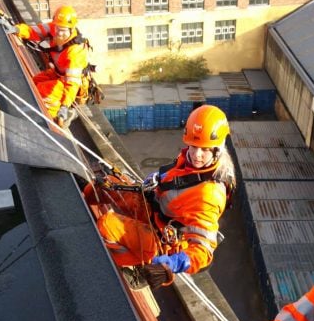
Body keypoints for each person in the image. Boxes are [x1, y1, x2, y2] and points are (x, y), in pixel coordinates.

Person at [95, 104, 236, 288]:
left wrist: (172, 264)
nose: (196, 154)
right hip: (155, 209)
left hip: (162, 240)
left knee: (107, 225)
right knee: (109, 183)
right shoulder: (190, 161)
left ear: (217, 149)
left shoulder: (209, 194)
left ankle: (139, 266)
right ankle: (85, 192)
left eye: (204, 149)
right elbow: (173, 180)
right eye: (193, 146)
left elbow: (204, 250)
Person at [0, 5, 91, 127]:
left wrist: (64, 106)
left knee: (45, 93)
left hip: (72, 84)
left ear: (71, 29)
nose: (58, 33)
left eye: (63, 30)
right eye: (57, 28)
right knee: (33, 83)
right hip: (57, 73)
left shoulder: (76, 52)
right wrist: (16, 29)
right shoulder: (53, 28)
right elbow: (34, 31)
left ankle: (52, 121)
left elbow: (72, 83)